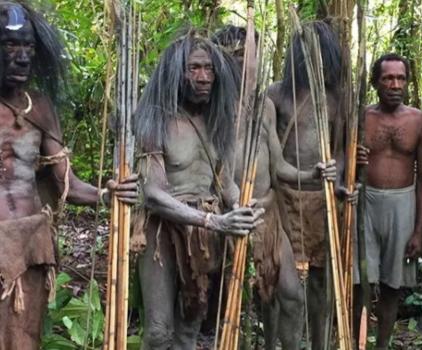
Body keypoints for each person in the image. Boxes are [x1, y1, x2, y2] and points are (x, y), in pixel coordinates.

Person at [0, 3, 137, 349]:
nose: (21, 57)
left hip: (30, 248)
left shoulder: (41, 108)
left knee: (22, 339)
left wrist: (109, 195)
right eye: (10, 45)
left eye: (28, 48)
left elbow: (67, 185)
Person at [132, 29, 264, 349]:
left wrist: (241, 205)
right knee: (159, 332)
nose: (203, 77)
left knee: (189, 329)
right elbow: (153, 193)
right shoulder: (155, 120)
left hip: (205, 238)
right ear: (178, 72)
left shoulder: (218, 121)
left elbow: (224, 182)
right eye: (194, 68)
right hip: (162, 231)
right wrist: (214, 222)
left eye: (209, 69)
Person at [211, 25, 336, 349]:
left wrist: (313, 175)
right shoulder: (211, 109)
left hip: (268, 216)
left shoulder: (263, 105)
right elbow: (216, 170)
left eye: (249, 55)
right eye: (236, 56)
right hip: (231, 218)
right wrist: (235, 201)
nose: (244, 63)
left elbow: (278, 165)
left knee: (293, 295)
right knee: (233, 305)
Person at [267, 20, 343, 349]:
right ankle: (275, 343)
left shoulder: (337, 99)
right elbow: (268, 155)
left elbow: (341, 151)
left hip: (324, 201)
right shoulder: (275, 95)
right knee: (280, 282)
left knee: (321, 282)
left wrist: (337, 180)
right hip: (284, 199)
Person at [354, 53, 422, 349]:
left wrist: (419, 229)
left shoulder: (418, 120)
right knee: (360, 283)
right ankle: (356, 342)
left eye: (400, 78)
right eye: (388, 78)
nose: (395, 84)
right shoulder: (361, 117)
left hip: (402, 205)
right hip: (366, 202)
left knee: (392, 285)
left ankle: (383, 345)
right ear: (376, 82)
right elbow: (341, 162)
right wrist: (354, 159)